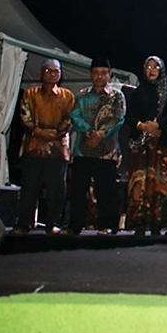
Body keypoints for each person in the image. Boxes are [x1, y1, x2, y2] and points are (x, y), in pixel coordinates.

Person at [12, 58, 75, 235]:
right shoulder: (30, 93)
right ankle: (24, 223)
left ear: (60, 75)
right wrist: (39, 132)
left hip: (57, 150)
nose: (52, 74)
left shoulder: (67, 96)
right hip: (33, 147)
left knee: (57, 189)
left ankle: (53, 223)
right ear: (40, 73)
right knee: (29, 188)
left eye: (56, 71)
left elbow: (69, 118)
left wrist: (55, 133)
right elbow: (25, 116)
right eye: (48, 71)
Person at [68, 58, 126, 235]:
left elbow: (118, 118)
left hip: (106, 150)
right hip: (82, 149)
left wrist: (100, 133)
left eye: (103, 73)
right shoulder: (82, 95)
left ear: (109, 74)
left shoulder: (116, 96)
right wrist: (89, 132)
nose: (99, 76)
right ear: (90, 74)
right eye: (96, 73)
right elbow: (75, 116)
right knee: (78, 190)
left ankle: (107, 225)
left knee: (106, 190)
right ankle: (74, 226)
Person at [123, 56, 167, 235]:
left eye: (156, 67)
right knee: (140, 183)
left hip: (162, 144)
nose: (152, 70)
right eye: (148, 66)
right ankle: (139, 223)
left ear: (162, 69)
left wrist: (158, 125)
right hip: (140, 144)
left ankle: (158, 224)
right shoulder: (138, 91)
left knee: (160, 184)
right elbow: (129, 116)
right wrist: (142, 126)